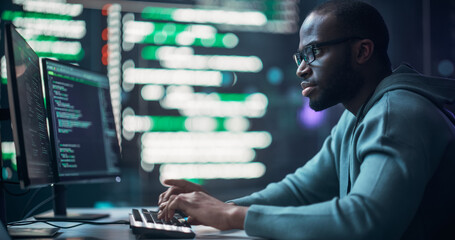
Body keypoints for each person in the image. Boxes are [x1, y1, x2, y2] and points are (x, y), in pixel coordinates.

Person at [157, 1, 455, 239]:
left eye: (313, 52)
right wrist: (222, 207)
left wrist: (229, 216)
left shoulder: (396, 113)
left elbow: (364, 220)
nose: (301, 70)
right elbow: (301, 191)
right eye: (299, 57)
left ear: (362, 51)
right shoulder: (358, 117)